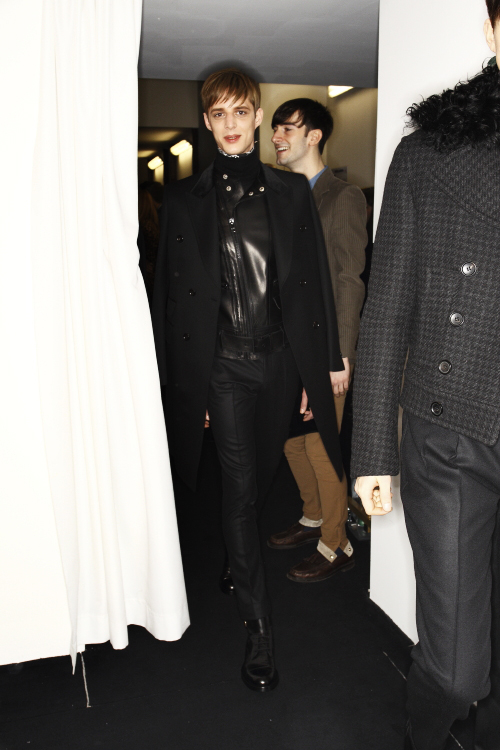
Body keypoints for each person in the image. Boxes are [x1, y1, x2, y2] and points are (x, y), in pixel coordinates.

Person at [152, 68, 347, 692]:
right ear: (207, 122)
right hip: (224, 369)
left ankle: (237, 559)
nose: (231, 124)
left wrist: (322, 364)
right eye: (219, 114)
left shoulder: (291, 193)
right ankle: (258, 625)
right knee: (238, 490)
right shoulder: (184, 201)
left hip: (282, 362)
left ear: (258, 117)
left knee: (262, 476)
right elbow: (169, 302)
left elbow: (314, 284)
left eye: (242, 112)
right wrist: (188, 382)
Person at [352, 4, 500, 748]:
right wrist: (373, 449)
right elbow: (386, 311)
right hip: (452, 437)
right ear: (493, 29)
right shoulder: (429, 153)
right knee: (458, 670)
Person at [267, 99, 366, 582]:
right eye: (275, 128)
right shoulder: (279, 195)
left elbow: (348, 278)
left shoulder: (341, 197)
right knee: (291, 441)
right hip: (282, 344)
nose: (277, 136)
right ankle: (312, 516)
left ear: (314, 136)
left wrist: (340, 353)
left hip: (325, 344)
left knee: (322, 444)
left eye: (288, 128)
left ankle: (336, 541)